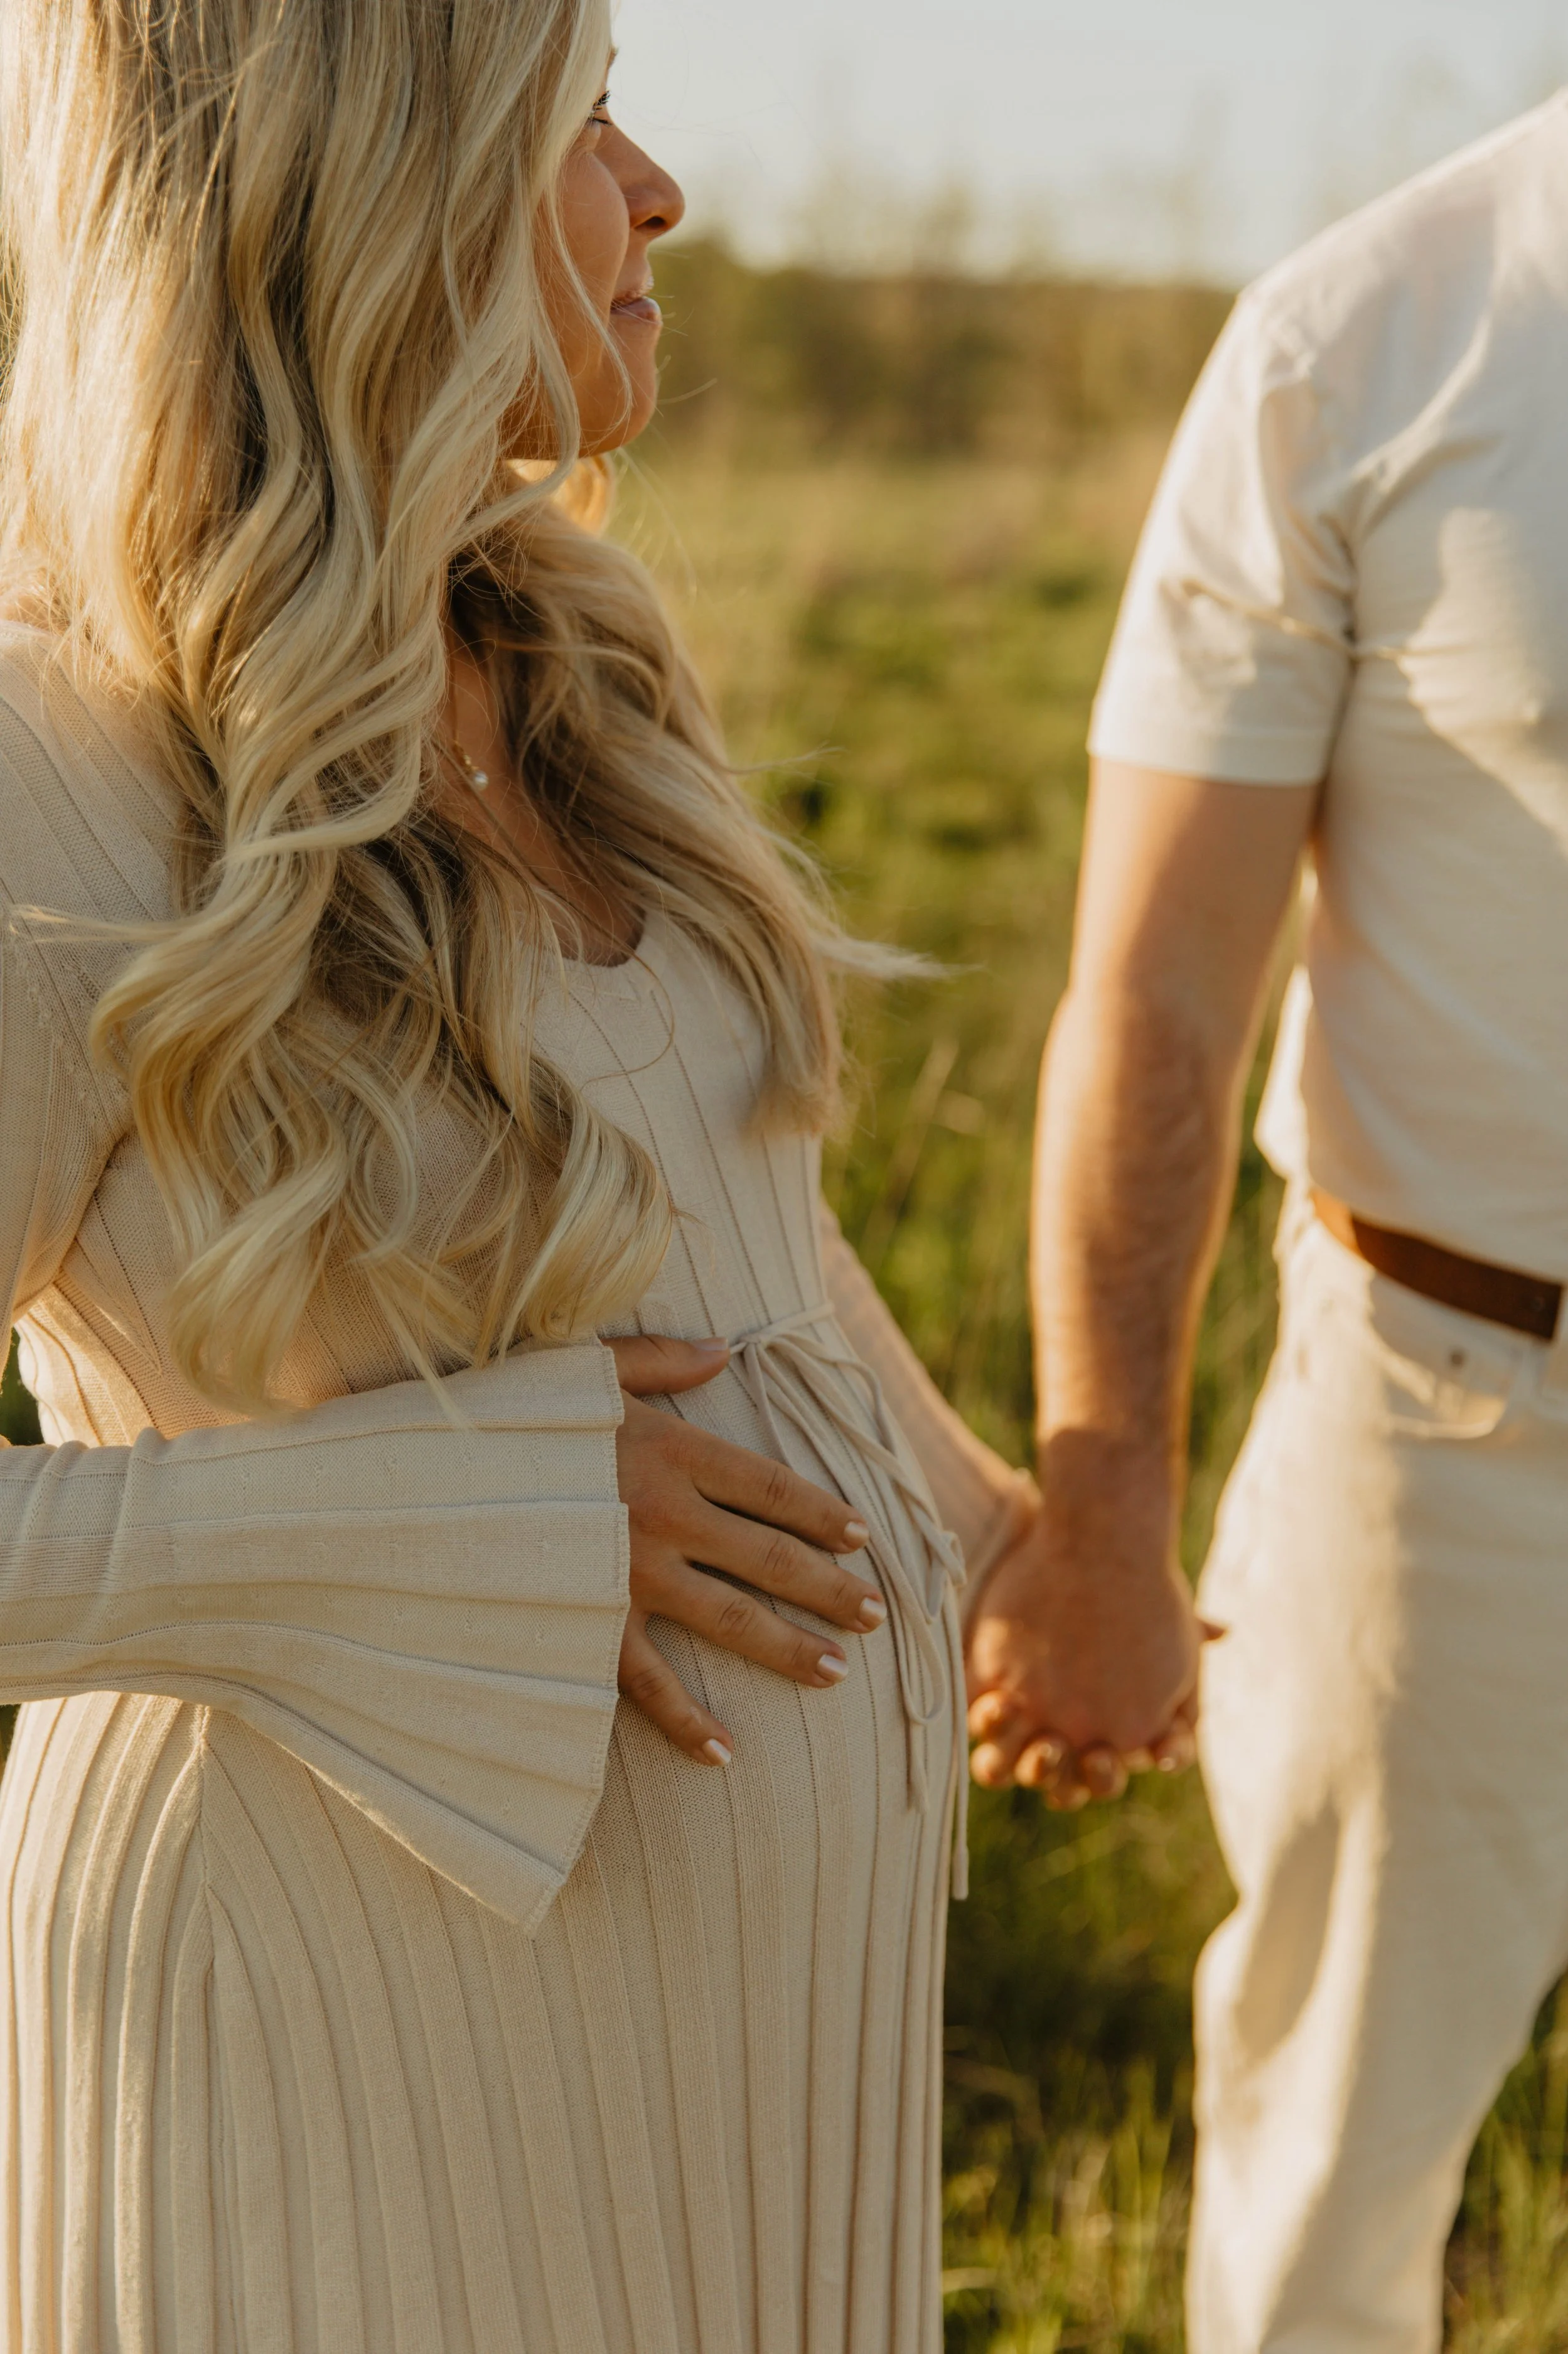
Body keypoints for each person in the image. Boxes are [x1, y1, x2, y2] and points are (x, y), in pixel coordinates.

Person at [0, 4, 1038, 2345]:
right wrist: (447, 1528)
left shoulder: (573, 659)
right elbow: (525, 1471)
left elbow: (733, 1220)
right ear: (362, 191)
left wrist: (994, 1531)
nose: (658, 184)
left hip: (738, 2108)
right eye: (572, 118)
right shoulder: (46, 787)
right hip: (330, 2079)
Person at [964, 89, 1568, 2354]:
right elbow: (1155, 990)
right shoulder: (1365, 338)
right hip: (1458, 1449)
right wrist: (1104, 1494)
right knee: (1326, 2203)